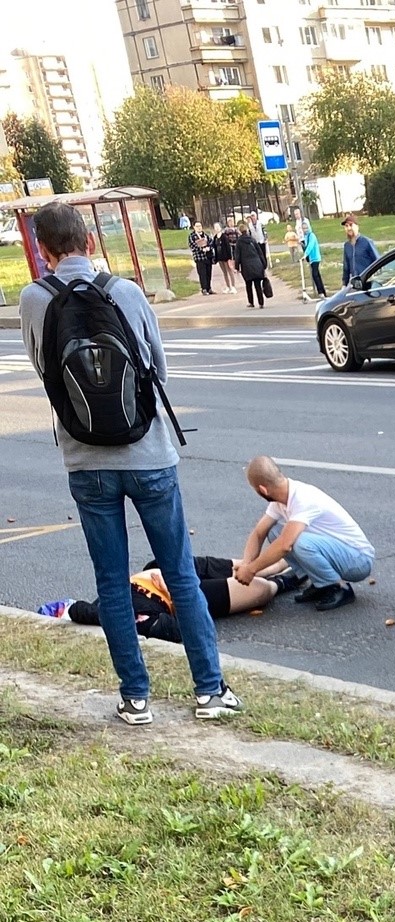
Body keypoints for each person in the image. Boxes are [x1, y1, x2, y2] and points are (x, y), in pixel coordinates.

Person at [18, 201, 241, 725]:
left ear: (43, 253)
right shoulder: (126, 291)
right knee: (180, 574)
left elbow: (44, 371)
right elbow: (156, 366)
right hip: (149, 455)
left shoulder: (34, 299)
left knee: (112, 580)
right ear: (90, 243)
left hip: (85, 461)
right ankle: (210, 691)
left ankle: (135, 698)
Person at [45, 556, 300, 642]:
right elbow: (181, 631)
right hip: (179, 595)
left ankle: (272, 563)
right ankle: (285, 580)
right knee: (261, 590)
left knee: (231, 568)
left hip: (159, 571)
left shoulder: (101, 604)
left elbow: (78, 609)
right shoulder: (139, 622)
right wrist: (174, 594)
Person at [237, 456, 374, 612]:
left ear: (263, 490)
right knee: (275, 531)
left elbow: (284, 545)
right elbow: (259, 532)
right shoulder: (281, 499)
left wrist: (251, 570)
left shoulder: (302, 498)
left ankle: (338, 587)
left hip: (358, 560)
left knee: (296, 541)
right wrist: (245, 564)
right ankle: (319, 582)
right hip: (341, 553)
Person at [234, 219, 270, 309]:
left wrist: (237, 267)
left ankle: (251, 302)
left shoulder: (239, 242)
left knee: (248, 285)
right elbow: (260, 252)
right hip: (257, 264)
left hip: (246, 266)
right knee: (257, 284)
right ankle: (261, 303)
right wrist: (264, 264)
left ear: (239, 231)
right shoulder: (252, 240)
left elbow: (237, 256)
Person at [341, 213, 379, 287]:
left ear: (357, 226)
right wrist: (344, 285)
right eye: (346, 226)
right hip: (355, 284)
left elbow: (378, 262)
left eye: (351, 225)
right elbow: (346, 268)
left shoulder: (367, 242)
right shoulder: (347, 246)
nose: (349, 228)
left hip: (368, 282)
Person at [213, 220, 239, 294]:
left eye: (218, 227)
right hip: (219, 257)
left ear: (220, 228)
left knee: (229, 271)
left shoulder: (224, 236)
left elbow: (228, 247)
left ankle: (233, 286)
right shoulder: (215, 238)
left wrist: (229, 257)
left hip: (226, 257)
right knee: (224, 272)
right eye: (215, 227)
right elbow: (214, 247)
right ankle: (228, 286)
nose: (217, 228)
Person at [188, 224, 215, 295]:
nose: (199, 227)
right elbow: (192, 245)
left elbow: (211, 242)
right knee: (202, 273)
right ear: (194, 227)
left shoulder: (206, 235)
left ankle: (209, 288)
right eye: (197, 226)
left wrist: (209, 247)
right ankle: (204, 288)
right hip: (199, 257)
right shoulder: (192, 236)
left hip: (208, 256)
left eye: (200, 226)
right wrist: (202, 249)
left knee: (208, 273)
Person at [302, 222, 327, 297]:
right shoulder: (306, 237)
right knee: (317, 275)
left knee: (315, 275)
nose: (305, 230)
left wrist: (305, 254)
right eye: (303, 228)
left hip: (315, 258)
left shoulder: (312, 235)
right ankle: (323, 292)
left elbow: (310, 246)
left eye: (306, 228)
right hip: (311, 259)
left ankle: (320, 292)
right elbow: (306, 246)